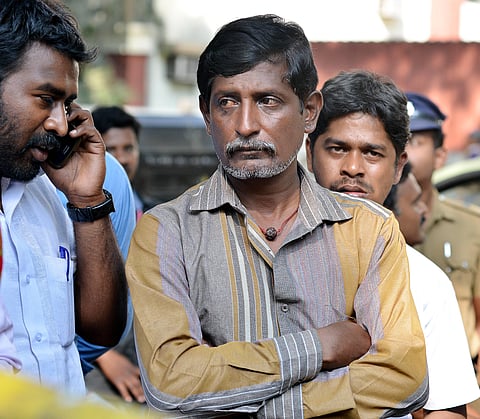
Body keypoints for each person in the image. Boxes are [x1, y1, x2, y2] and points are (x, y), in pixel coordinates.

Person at [126, 15, 428, 418]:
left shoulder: (369, 228)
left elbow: (403, 375)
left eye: (268, 101)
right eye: (227, 103)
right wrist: (320, 346)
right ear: (206, 113)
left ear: (309, 112)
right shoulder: (167, 232)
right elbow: (171, 381)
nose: (246, 126)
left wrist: (269, 405)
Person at [305, 69, 480, 418]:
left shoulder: (427, 283)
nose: (353, 167)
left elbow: (445, 410)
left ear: (399, 167)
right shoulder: (261, 253)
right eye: (338, 149)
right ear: (310, 154)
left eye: (372, 153)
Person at [0, 0, 127, 396]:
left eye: (67, 104)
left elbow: (101, 329)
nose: (60, 123)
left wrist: (87, 201)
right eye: (44, 99)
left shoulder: (52, 191)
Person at [405, 92, 480, 376]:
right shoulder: (369, 224)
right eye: (398, 140)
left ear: (440, 156)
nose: (405, 151)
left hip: (460, 384)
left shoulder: (472, 226)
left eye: (415, 141)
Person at [92, 106, 144, 220]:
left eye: (128, 148)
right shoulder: (72, 214)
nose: (122, 159)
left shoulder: (155, 214)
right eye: (110, 150)